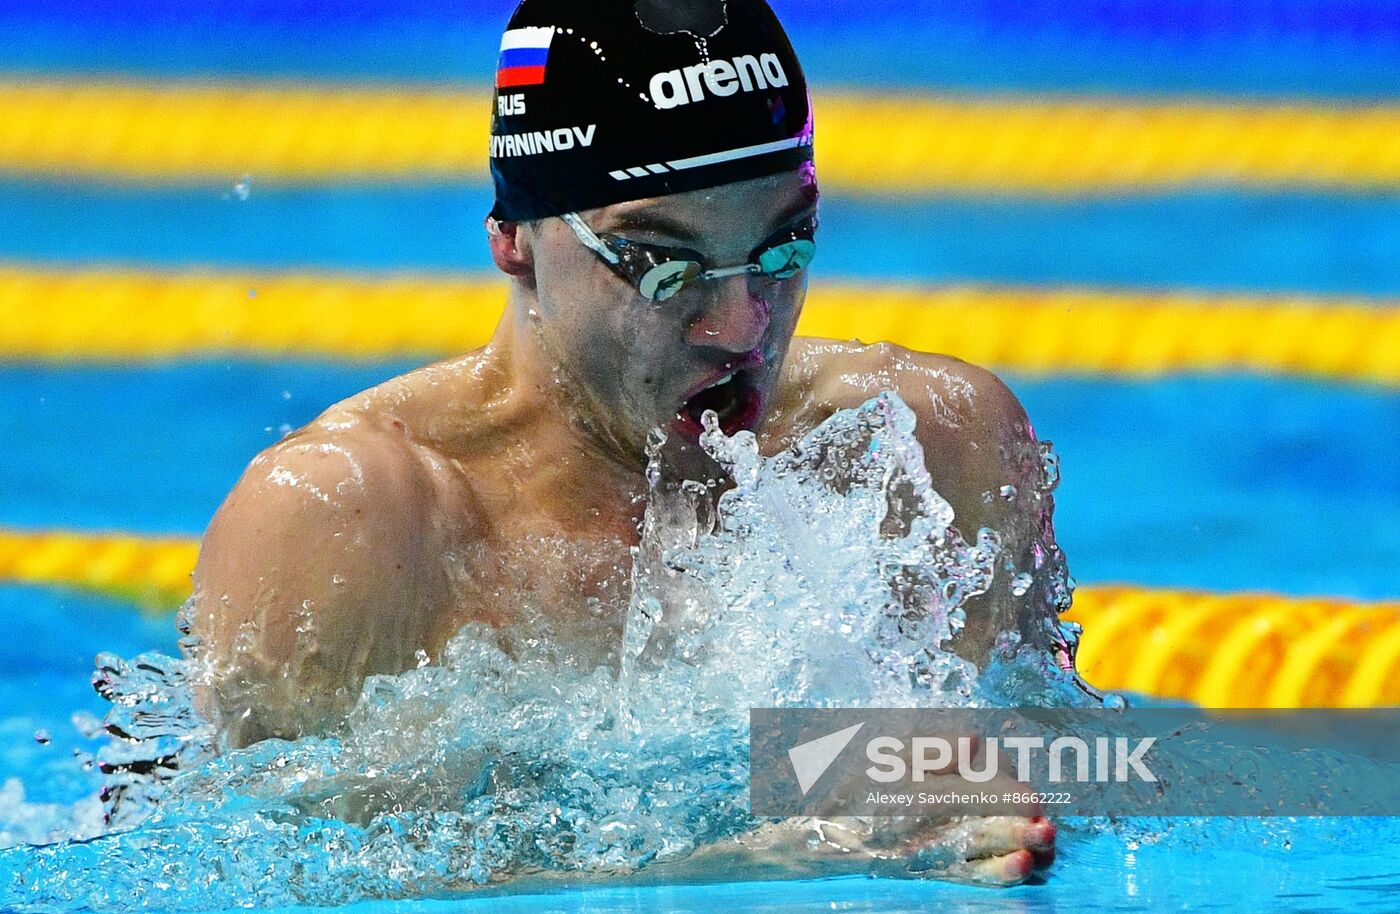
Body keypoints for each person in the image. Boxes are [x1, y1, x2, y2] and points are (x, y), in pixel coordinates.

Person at [189, 0, 1058, 887]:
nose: (739, 326)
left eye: (782, 247)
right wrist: (771, 857)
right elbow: (267, 879)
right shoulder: (354, 519)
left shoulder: (932, 450)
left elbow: (1096, 772)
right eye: (657, 262)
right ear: (514, 237)